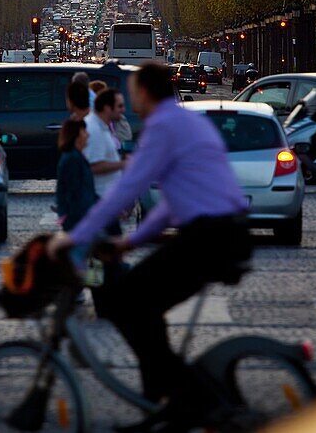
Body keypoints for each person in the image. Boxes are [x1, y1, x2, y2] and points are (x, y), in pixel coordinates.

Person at [48, 61, 250, 426]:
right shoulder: (187, 121)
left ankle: (193, 397)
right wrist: (131, 243)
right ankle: (159, 404)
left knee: (128, 302)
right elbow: (173, 203)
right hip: (224, 232)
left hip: (208, 236)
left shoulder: (162, 128)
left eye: (132, 89)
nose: (128, 96)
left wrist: (77, 237)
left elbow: (129, 187)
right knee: (142, 307)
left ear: (145, 92)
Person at [55, 118, 97, 231]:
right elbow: (73, 191)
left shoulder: (76, 156)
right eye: (84, 131)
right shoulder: (73, 158)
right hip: (77, 219)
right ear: (76, 135)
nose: (88, 134)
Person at [84, 88, 126, 198]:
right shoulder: (94, 129)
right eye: (120, 106)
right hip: (97, 198)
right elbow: (94, 167)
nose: (124, 110)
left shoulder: (102, 126)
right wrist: (124, 164)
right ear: (107, 108)